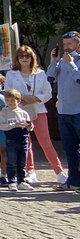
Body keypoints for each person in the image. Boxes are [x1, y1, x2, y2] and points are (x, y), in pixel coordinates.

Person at [3, 45, 62, 183]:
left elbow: (47, 92)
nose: (24, 59)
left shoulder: (40, 73)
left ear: (32, 58)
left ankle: (59, 171)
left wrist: (35, 98)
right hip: (20, 112)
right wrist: (22, 98)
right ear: (17, 58)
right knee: (25, 142)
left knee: (46, 142)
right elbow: (8, 92)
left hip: (38, 110)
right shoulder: (12, 74)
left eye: (27, 56)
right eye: (21, 56)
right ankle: (30, 171)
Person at [48, 31, 80, 191]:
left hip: (78, 111)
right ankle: (73, 180)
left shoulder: (76, 61)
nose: (66, 47)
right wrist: (54, 61)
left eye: (69, 44)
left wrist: (72, 64)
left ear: (77, 44)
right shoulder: (61, 61)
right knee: (70, 148)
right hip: (63, 111)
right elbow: (49, 79)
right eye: (64, 44)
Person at [0, 88, 34, 191]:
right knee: (12, 162)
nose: (10, 103)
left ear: (18, 101)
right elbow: (1, 126)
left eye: (13, 100)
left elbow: (30, 126)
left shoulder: (23, 113)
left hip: (23, 140)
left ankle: (21, 181)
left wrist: (28, 125)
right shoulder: (4, 112)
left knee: (22, 162)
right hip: (11, 140)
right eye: (8, 100)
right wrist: (14, 125)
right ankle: (11, 182)